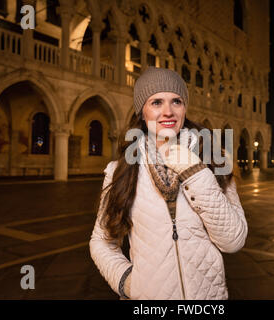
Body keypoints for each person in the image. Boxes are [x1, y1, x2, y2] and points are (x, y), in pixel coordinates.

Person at [89, 66, 248, 300]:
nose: (168, 112)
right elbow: (101, 241)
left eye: (176, 101)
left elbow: (233, 240)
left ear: (184, 108)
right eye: (156, 102)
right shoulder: (120, 171)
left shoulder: (216, 160)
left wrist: (194, 171)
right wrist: (127, 282)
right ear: (142, 112)